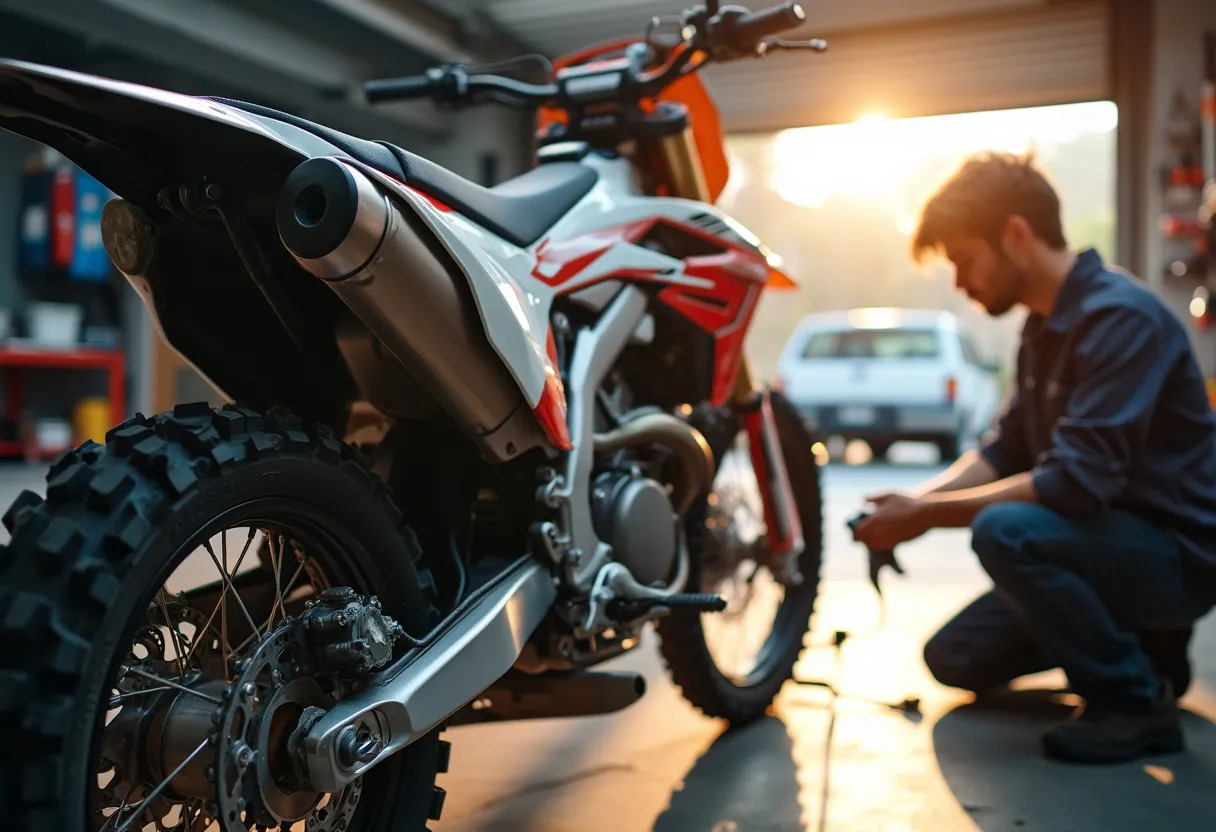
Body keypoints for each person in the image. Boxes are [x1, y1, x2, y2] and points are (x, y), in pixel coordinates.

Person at [852, 151, 1216, 763]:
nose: (962, 284)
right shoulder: (1041, 330)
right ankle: (1147, 651)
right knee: (953, 659)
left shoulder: (1121, 320)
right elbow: (1004, 451)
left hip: (1173, 558)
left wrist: (925, 518)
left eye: (966, 261)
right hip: (1104, 548)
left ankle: (1131, 703)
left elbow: (1074, 482)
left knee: (1007, 531)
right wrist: (915, 503)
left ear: (1016, 236)